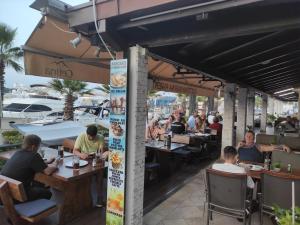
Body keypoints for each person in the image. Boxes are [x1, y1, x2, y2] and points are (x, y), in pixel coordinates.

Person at [1, 135, 58, 201]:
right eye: (38, 147)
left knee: (37, 185)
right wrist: (56, 164)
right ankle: (37, 209)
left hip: (4, 193)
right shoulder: (33, 155)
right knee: (47, 193)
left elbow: (28, 162)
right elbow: (48, 171)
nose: (38, 149)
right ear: (33, 147)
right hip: (18, 197)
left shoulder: (17, 153)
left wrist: (47, 162)